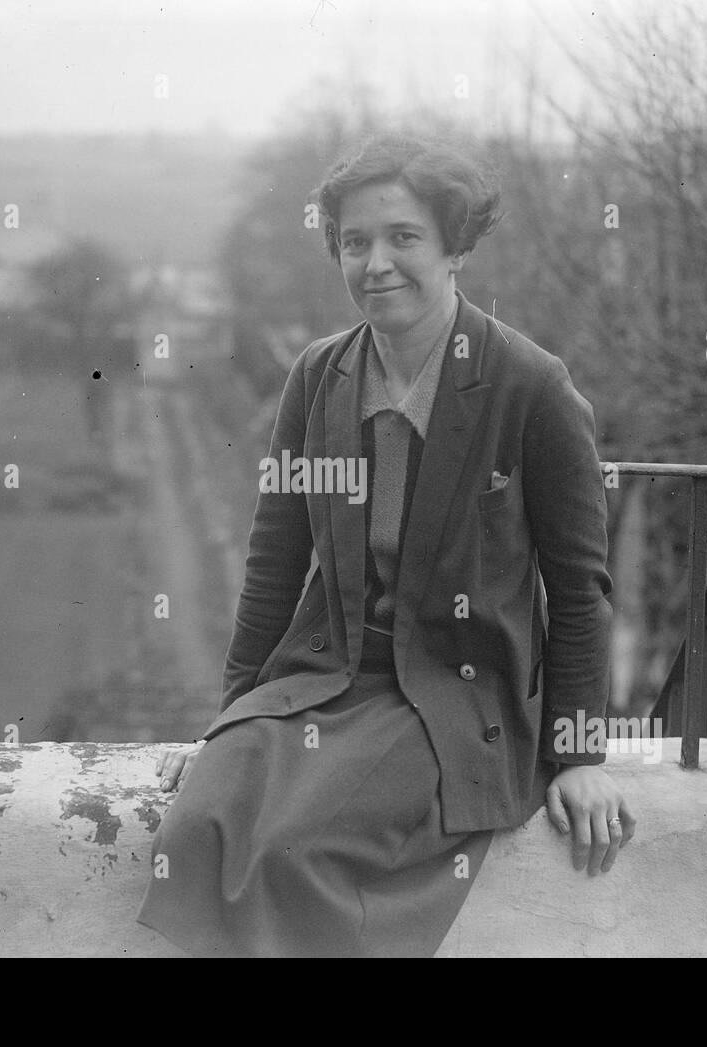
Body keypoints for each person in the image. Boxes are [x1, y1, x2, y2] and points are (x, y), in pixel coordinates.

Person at [136, 132, 635, 958]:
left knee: (301, 852)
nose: (377, 263)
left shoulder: (530, 387)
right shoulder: (318, 376)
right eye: (355, 242)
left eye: (404, 238)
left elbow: (581, 588)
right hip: (325, 676)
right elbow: (273, 560)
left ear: (454, 247)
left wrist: (579, 751)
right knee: (198, 824)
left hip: (452, 692)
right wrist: (232, 716)